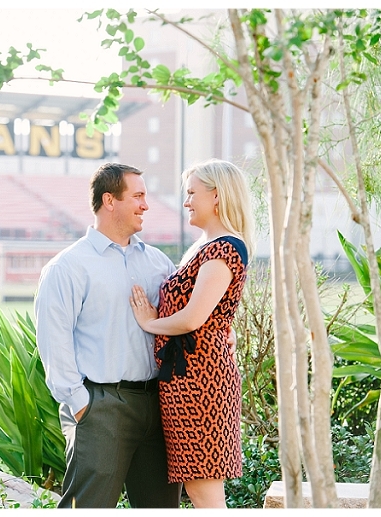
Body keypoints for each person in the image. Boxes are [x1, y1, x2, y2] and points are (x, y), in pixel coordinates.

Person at [34, 163, 182, 508]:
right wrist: (81, 403)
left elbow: (184, 318)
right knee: (88, 509)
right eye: (138, 196)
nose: (146, 205)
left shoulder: (158, 263)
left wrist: (224, 334)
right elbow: (54, 343)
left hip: (157, 404)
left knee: (162, 509)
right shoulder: (67, 267)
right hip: (102, 407)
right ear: (109, 200)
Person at [129, 159, 255, 508]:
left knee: (203, 490)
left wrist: (149, 323)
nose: (186, 201)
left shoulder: (223, 248)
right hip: (187, 380)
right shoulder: (205, 247)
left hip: (202, 383)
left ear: (216, 196)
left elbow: (192, 319)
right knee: (198, 488)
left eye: (192, 193)